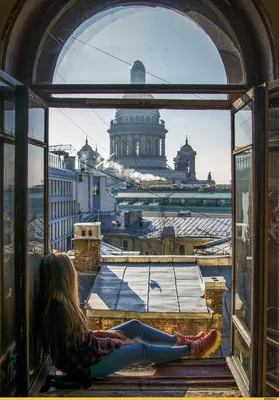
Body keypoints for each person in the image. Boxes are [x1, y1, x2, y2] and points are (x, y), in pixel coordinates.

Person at [41, 253, 221, 385]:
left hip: (88, 356)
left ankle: (178, 340)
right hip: (90, 367)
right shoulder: (59, 311)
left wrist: (103, 333)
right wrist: (116, 343)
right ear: (67, 277)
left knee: (134, 326)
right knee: (140, 349)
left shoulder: (60, 304)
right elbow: (86, 349)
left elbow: (82, 340)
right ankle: (190, 349)